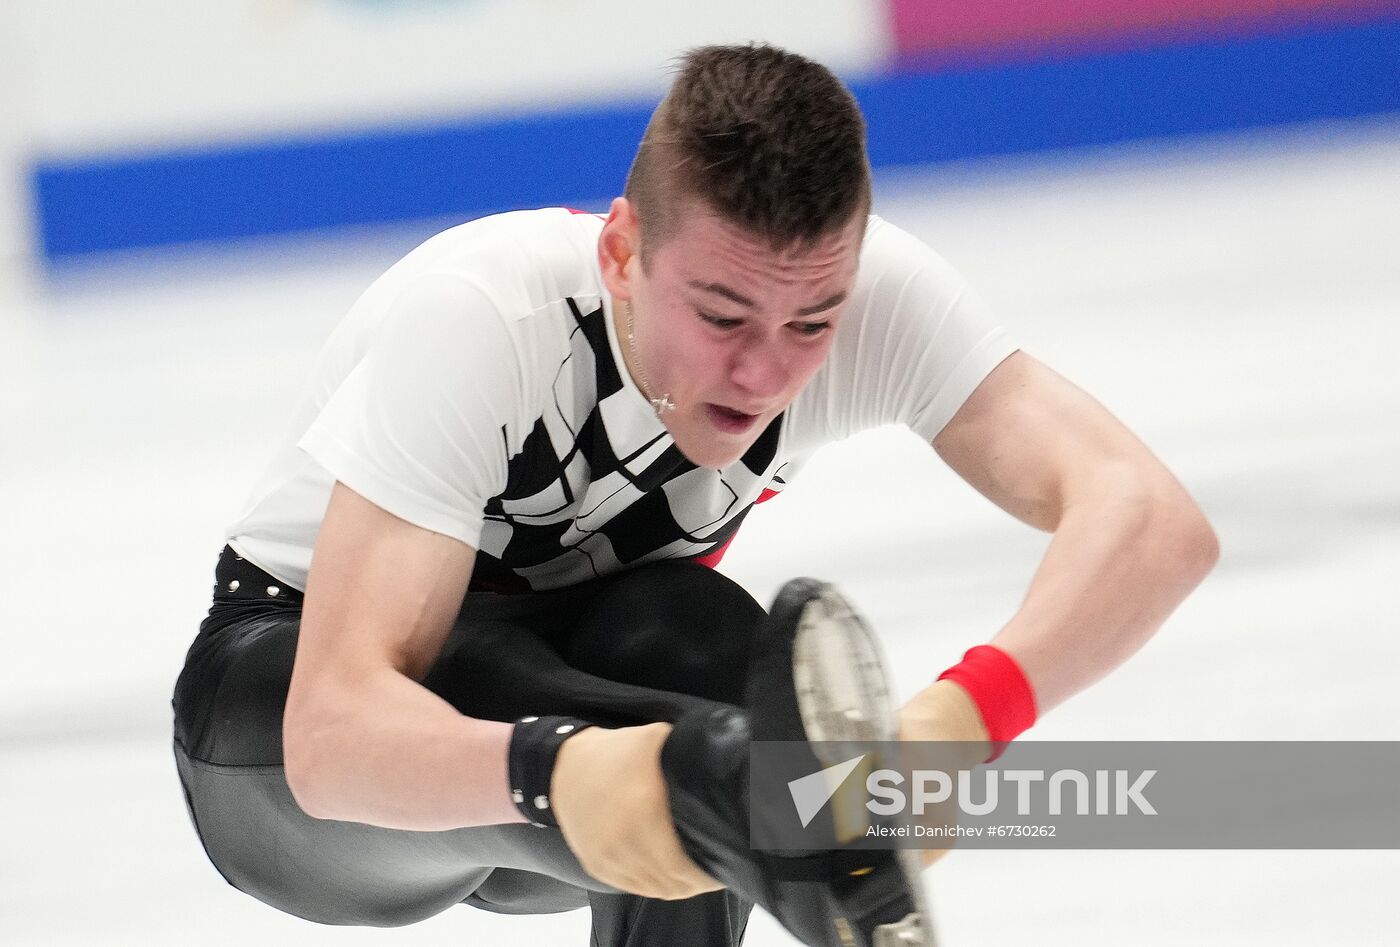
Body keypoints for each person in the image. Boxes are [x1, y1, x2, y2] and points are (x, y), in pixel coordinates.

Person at [171, 43, 1218, 946]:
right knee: (657, 721)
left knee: (705, 640)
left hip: (601, 749)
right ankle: (753, 803)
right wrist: (577, 770)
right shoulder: (482, 313)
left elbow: (1148, 517)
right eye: (721, 316)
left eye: (810, 325)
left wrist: (960, 718)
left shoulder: (860, 294)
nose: (763, 374)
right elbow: (329, 739)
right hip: (291, 739)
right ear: (622, 251)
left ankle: (738, 792)